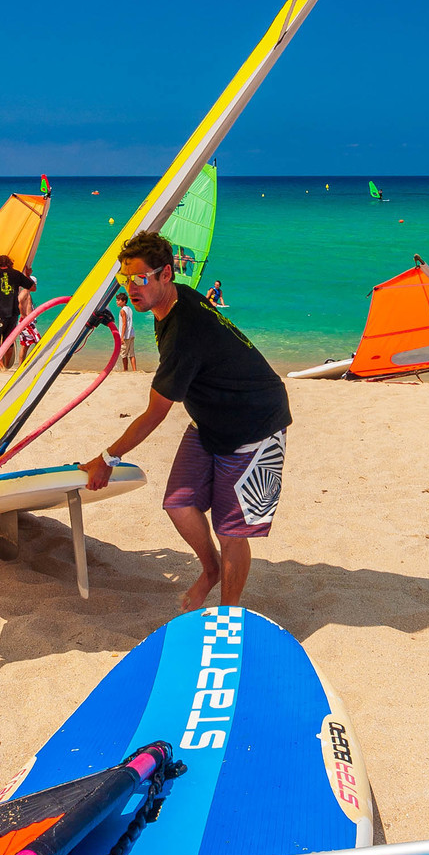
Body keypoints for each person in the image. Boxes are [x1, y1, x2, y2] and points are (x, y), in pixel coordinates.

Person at [85, 232, 289, 610]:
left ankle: (227, 616)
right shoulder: (178, 299)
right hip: (211, 420)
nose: (131, 288)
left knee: (230, 531)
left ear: (166, 275)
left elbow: (155, 413)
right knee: (179, 503)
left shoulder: (184, 331)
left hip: (255, 425)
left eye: (140, 279)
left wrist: (107, 459)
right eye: (125, 279)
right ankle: (210, 571)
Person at [0, 252, 36, 365]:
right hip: (13, 314)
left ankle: (1, 366)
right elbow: (33, 288)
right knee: (9, 342)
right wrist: (27, 275)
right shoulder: (16, 274)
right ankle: (6, 364)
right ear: (10, 264)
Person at [117, 292, 137, 371]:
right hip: (131, 333)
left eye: (119, 300)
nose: (117, 302)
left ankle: (125, 369)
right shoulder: (129, 308)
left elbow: (124, 324)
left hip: (126, 335)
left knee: (123, 354)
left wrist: (121, 337)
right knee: (131, 353)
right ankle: (135, 370)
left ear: (124, 301)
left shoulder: (122, 311)